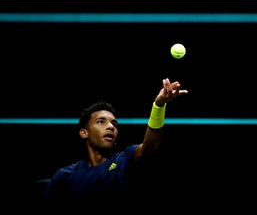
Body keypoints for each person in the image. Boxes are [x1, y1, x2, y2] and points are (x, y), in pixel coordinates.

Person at [43, 78, 188, 202]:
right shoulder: (65, 175)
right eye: (101, 122)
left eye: (114, 124)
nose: (111, 127)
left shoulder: (125, 159)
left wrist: (159, 105)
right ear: (84, 133)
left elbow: (149, 148)